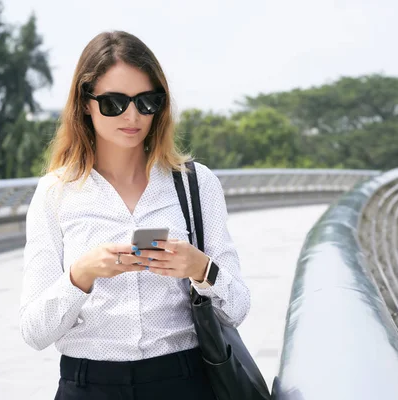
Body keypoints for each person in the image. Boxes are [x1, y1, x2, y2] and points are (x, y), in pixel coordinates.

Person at [19, 31, 251, 400]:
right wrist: (82, 274)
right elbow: (34, 332)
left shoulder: (195, 184)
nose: (132, 115)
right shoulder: (56, 192)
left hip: (183, 380)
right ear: (85, 103)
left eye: (147, 102)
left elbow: (236, 309)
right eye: (114, 102)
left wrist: (199, 268)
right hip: (87, 384)